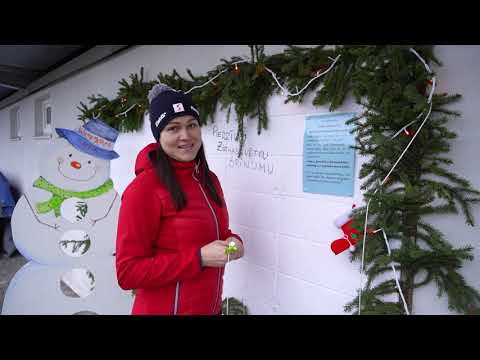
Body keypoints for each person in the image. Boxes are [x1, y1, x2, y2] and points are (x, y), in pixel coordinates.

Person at [115, 84, 244, 315]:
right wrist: (198, 259)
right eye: (173, 128)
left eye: (191, 125)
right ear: (159, 135)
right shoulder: (143, 189)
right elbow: (128, 273)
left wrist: (233, 241)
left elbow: (216, 234)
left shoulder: (209, 180)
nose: (185, 135)